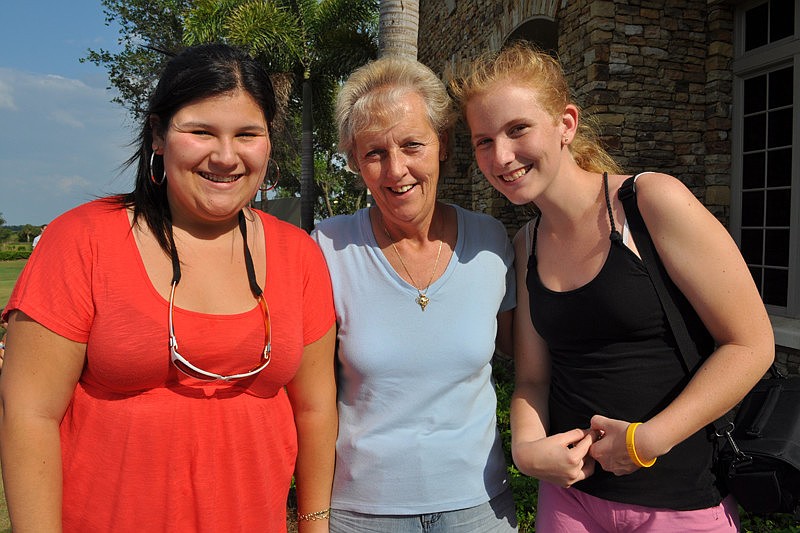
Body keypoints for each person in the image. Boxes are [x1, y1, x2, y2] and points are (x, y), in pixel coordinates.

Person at [0, 44, 337, 533]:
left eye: (247, 134)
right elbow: (28, 413)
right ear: (158, 135)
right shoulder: (82, 241)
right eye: (201, 131)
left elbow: (315, 409)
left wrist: (313, 524)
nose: (226, 156)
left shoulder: (299, 255)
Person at [450, 42, 775, 532]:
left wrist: (646, 440)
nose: (502, 156)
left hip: (680, 502)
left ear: (566, 124)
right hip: (571, 503)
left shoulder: (649, 202)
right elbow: (535, 380)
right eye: (483, 141)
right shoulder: (526, 245)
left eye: (518, 129)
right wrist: (526, 449)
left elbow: (751, 344)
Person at [311, 57, 519, 532]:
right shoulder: (328, 247)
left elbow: (529, 360)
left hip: (479, 507)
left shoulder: (490, 240)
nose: (396, 169)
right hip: (363, 514)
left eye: (412, 145)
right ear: (355, 163)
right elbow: (311, 400)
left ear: (442, 145)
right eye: (374, 153)